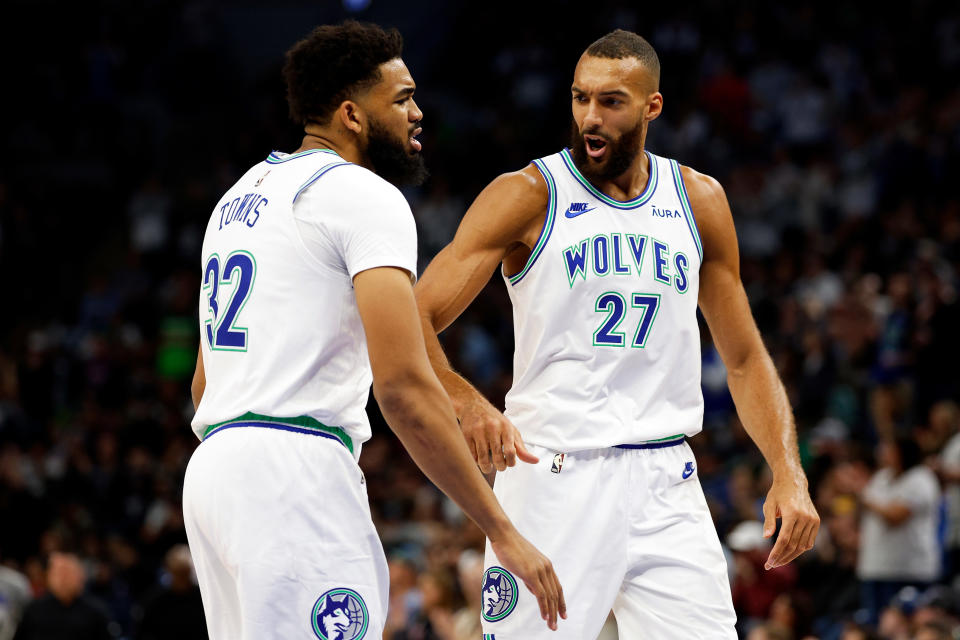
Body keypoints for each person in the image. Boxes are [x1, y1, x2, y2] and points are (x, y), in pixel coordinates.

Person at [414, 29, 819, 638]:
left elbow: (743, 358)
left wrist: (787, 470)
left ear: (652, 106)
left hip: (667, 481)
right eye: (580, 99)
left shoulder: (699, 200)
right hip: (554, 477)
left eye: (611, 101)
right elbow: (412, 316)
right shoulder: (528, 194)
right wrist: (465, 399)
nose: (590, 118)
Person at [183, 21, 564, 640]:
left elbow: (204, 383)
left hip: (214, 473)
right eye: (402, 99)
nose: (418, 113)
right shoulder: (362, 195)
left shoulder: (237, 199)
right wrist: (501, 529)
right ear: (352, 115)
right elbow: (403, 389)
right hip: (292, 473)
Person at [856, 436, 941, 625]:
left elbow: (895, 516)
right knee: (876, 627)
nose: (882, 452)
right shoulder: (881, 478)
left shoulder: (921, 479)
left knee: (904, 628)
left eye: (889, 448)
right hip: (875, 568)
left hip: (908, 570)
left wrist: (861, 492)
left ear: (903, 452)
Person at [12, 552, 112, 640]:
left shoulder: (95, 611)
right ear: (49, 576)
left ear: (80, 577)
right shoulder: (34, 610)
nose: (63, 580)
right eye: (59, 573)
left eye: (68, 573)